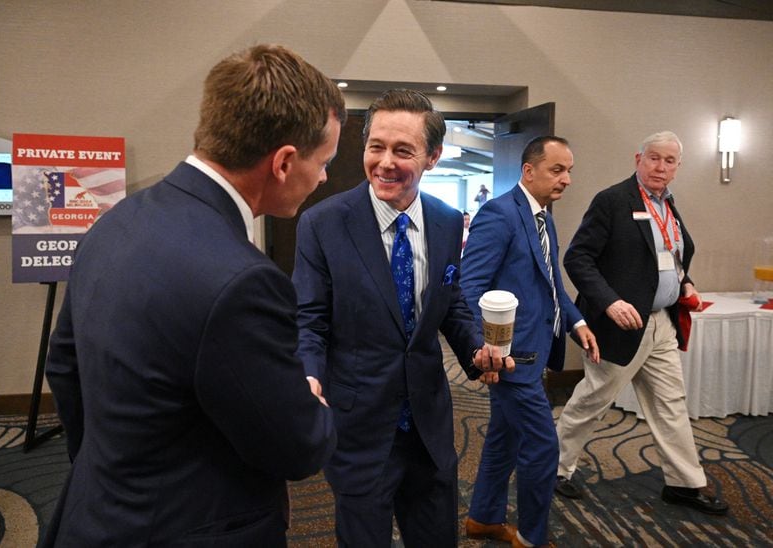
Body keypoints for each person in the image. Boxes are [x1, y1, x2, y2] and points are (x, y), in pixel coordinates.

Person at [42, 44, 346, 547]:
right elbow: (298, 448)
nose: (325, 178)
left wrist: (117, 478)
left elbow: (66, 367)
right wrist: (309, 400)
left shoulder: (117, 221)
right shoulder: (243, 280)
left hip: (94, 512)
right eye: (325, 161)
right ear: (285, 162)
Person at [292, 89, 513, 547]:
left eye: (402, 150)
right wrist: (308, 376)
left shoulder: (448, 221)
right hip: (359, 424)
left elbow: (449, 303)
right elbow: (308, 319)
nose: (385, 162)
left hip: (430, 424)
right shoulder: (323, 223)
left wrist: (477, 350)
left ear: (432, 157)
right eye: (376, 147)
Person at [555, 131, 729, 516]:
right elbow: (577, 258)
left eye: (669, 161)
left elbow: (666, 257)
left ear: (677, 168)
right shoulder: (614, 201)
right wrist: (610, 301)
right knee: (593, 400)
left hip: (661, 323)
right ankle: (554, 467)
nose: (660, 167)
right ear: (638, 159)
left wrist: (685, 283)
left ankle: (685, 484)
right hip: (620, 325)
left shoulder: (668, 205)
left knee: (671, 404)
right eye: (654, 158)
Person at [460, 136, 599, 547]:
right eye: (558, 170)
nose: (567, 179)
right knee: (542, 448)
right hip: (510, 359)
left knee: (506, 437)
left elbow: (552, 282)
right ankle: (532, 537)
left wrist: (577, 323)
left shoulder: (543, 217)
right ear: (529, 170)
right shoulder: (499, 214)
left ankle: (483, 518)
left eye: (569, 170)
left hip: (536, 350)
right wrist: (485, 354)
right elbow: (469, 291)